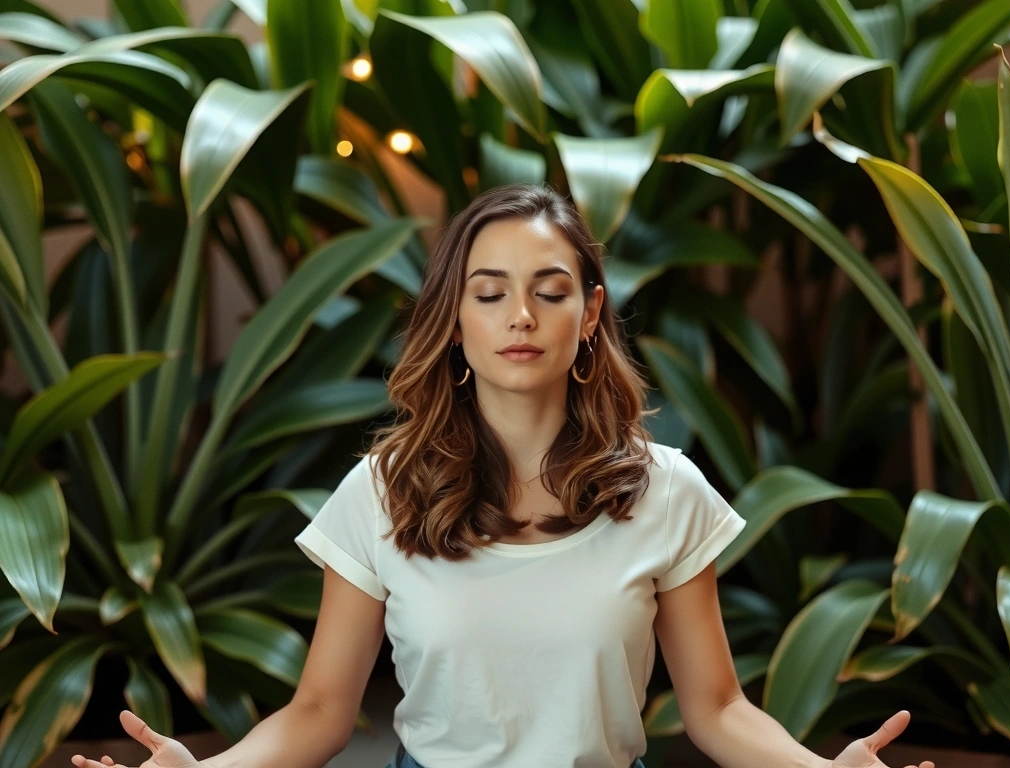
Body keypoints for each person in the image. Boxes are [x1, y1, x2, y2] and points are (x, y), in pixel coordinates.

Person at [71, 184, 934, 768]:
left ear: (591, 315)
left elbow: (715, 710)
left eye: (550, 291)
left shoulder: (666, 491)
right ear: (454, 320)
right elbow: (320, 714)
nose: (520, 316)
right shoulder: (379, 492)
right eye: (488, 293)